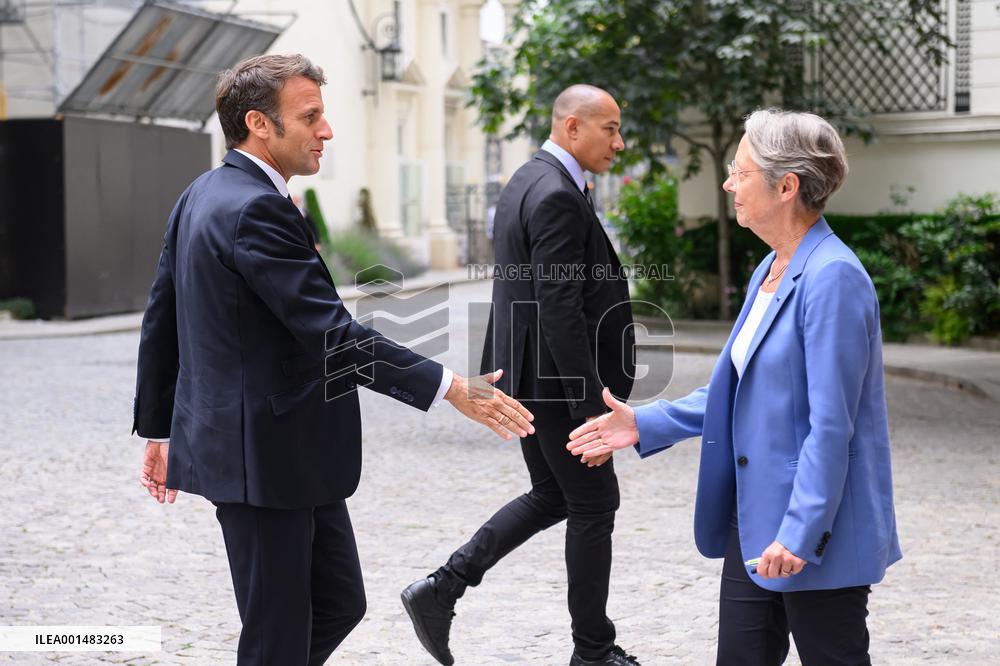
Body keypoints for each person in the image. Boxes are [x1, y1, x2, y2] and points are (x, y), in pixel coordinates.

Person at [132, 53, 534, 666]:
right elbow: (332, 336)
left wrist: (159, 427)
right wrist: (451, 387)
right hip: (261, 461)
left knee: (338, 602)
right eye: (310, 116)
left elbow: (162, 315)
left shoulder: (205, 192)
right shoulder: (251, 207)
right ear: (258, 124)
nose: (327, 130)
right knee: (277, 635)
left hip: (291, 455)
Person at [568, 108, 901, 665]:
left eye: (740, 172)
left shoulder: (833, 277)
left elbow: (832, 425)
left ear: (787, 186)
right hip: (749, 525)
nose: (728, 183)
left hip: (813, 534)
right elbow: (734, 393)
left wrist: (799, 533)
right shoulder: (770, 267)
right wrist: (642, 423)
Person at [401, 84, 640, 666]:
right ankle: (593, 653)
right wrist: (591, 408)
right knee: (592, 505)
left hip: (533, 376)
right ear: (572, 127)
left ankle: (444, 586)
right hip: (557, 384)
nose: (619, 141)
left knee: (556, 495)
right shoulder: (555, 191)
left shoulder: (527, 179)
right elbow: (557, 305)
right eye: (608, 128)